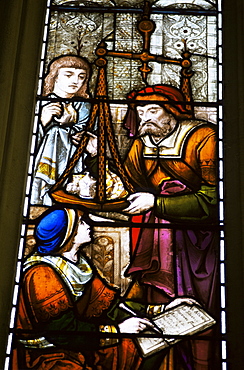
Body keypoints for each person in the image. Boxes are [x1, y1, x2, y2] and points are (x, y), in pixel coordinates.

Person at [122, 85, 218, 369]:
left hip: (199, 243)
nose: (146, 119)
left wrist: (157, 203)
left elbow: (214, 201)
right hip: (159, 243)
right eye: (141, 113)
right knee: (162, 314)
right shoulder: (142, 142)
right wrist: (94, 153)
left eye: (153, 111)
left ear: (173, 111)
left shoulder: (203, 137)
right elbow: (129, 184)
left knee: (199, 313)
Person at [13, 206, 166, 370]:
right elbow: (62, 332)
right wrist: (118, 330)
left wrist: (157, 310)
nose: (88, 225)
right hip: (47, 354)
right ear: (68, 235)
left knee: (151, 343)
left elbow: (110, 306)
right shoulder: (42, 274)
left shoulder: (79, 264)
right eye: (81, 223)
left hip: (80, 341)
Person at [31, 55, 97, 206]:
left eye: (81, 77)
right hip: (40, 161)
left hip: (75, 162)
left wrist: (77, 133)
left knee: (58, 132)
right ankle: (40, 189)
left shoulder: (86, 107)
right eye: (68, 75)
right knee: (56, 132)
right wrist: (43, 121)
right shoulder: (42, 104)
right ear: (55, 77)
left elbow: (90, 135)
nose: (75, 81)